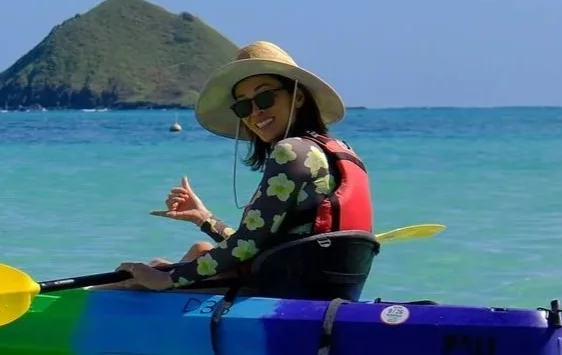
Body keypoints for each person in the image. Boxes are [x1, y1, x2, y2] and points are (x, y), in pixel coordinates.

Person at [116, 41, 371, 292]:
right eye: (243, 105)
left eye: (264, 97)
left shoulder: (291, 151)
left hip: (293, 292)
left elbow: (247, 245)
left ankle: (87, 307)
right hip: (325, 288)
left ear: (298, 96)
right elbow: (260, 243)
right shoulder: (339, 150)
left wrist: (167, 279)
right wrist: (204, 219)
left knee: (141, 278)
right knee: (194, 253)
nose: (255, 112)